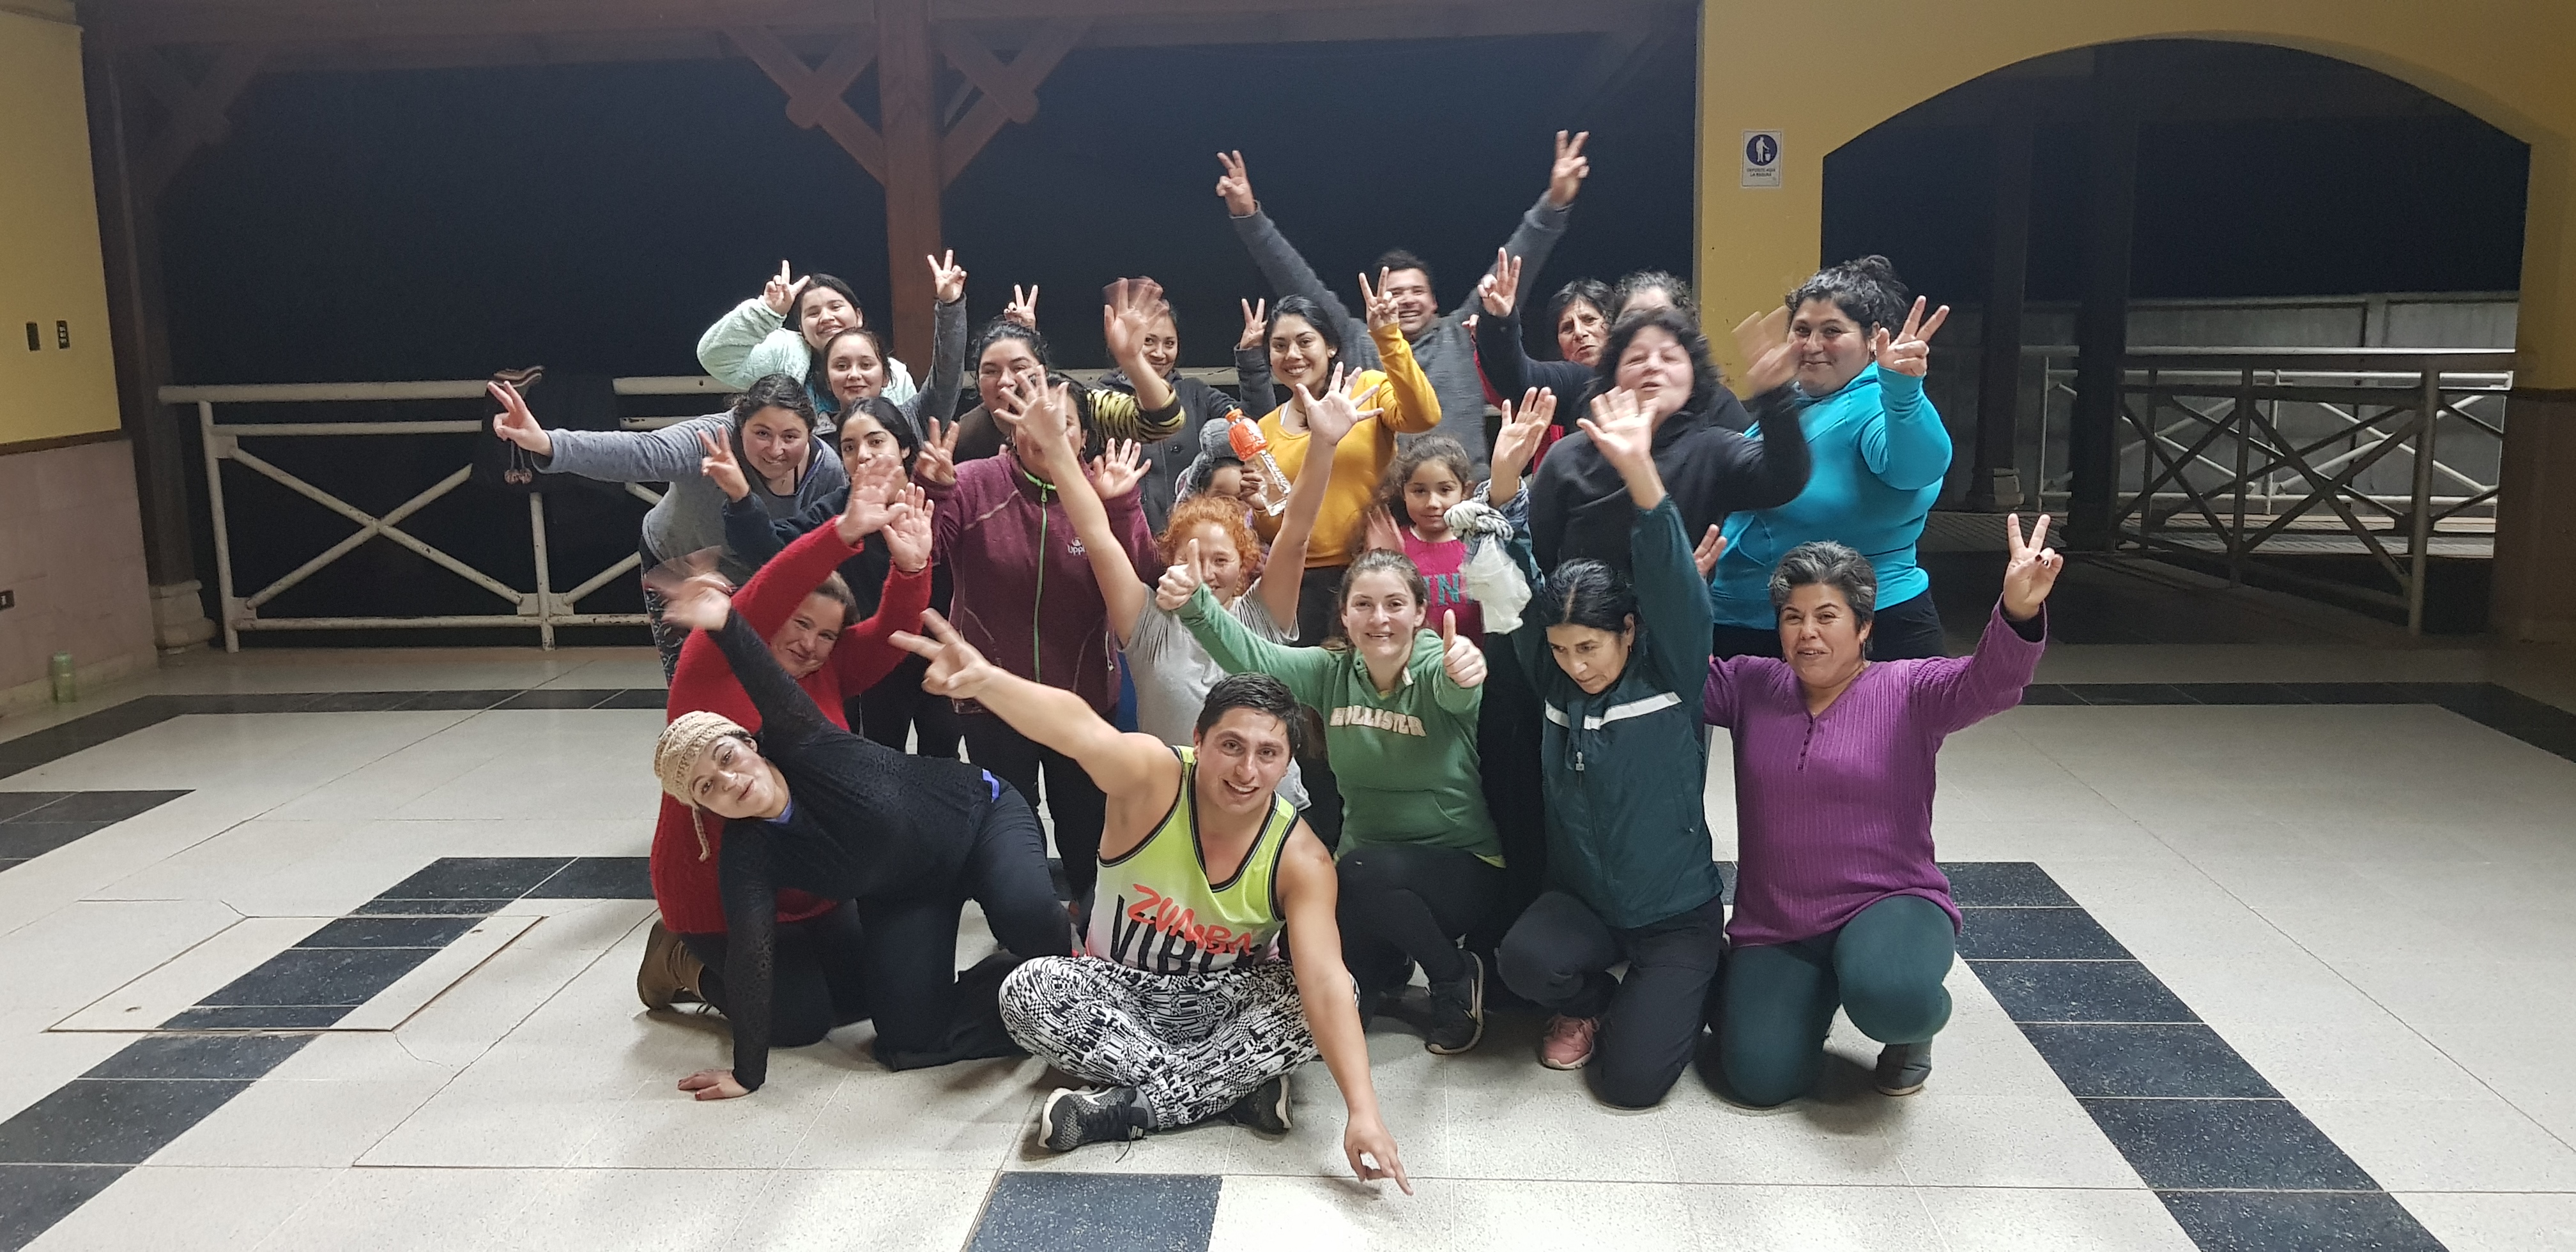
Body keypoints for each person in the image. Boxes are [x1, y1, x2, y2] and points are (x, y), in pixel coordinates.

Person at [891, 614, 1406, 1191]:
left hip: (1225, 999)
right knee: (1027, 990)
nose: (1247, 770)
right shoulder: (1153, 778)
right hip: (1120, 993)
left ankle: (1135, 1106)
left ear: (1288, 764)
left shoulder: (1301, 857)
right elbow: (1079, 729)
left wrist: (1364, 1112)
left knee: (1332, 997)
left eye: (1268, 753)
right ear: (1199, 741)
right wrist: (988, 682)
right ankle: (1229, 1086)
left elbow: (1325, 981)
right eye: (1231, 746)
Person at [647, 540, 1076, 1094]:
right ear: (706, 810)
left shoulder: (804, 742)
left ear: (752, 744)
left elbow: (761, 673)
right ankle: (1019, 992)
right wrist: (747, 1075)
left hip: (980, 821)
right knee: (906, 1039)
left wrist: (726, 621)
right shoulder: (747, 855)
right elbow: (753, 956)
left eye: (727, 759)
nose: (728, 781)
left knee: (1028, 917)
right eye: (708, 788)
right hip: (906, 888)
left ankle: (1079, 984)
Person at [1709, 517, 2060, 1106]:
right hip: (1778, 924)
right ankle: (1820, 989)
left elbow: (1989, 683)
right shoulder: (1751, 685)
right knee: (1759, 1079)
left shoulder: (1911, 689)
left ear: (1865, 625)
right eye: (1793, 617)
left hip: (1888, 903)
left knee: (1892, 996)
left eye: (1826, 616)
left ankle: (1908, 1026)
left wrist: (2018, 611)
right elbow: (1672, 678)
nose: (1807, 633)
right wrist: (1677, 588)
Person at [638, 461, 934, 1051]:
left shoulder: (828, 672)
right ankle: (679, 961)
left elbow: (891, 634)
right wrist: (842, 533)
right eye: (799, 623)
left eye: (826, 635)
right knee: (797, 1024)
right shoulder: (713, 660)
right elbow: (770, 587)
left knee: (865, 999)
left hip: (806, 885)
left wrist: (912, 568)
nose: (810, 644)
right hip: (718, 895)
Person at [1489, 386, 1726, 1108]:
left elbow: (1672, 583)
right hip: (1585, 902)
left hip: (1674, 911)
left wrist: (1640, 476)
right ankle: (1593, 1001)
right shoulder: (1553, 677)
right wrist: (1504, 489)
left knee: (1630, 1085)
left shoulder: (1671, 672)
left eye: (1589, 647)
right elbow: (1514, 590)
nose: (1576, 664)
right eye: (1562, 649)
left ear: (1629, 629)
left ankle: (1695, 978)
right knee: (1521, 963)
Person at [1174, 544, 1500, 1053]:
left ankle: (1454, 974)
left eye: (1395, 604)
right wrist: (1197, 605)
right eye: (1363, 605)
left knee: (1360, 872)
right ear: (1345, 616)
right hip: (1367, 872)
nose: (1379, 618)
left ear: (1420, 612)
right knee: (1332, 988)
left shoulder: (1438, 666)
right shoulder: (1332, 672)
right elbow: (1255, 658)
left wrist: (1466, 670)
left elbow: (1459, 690)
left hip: (1459, 867)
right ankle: (1389, 962)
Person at [1043, 359, 1364, 820]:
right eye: (1190, 557)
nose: (1205, 573)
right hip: (1172, 812)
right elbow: (1097, 537)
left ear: (1245, 566)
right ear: (1169, 560)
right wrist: (1058, 451)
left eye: (1220, 560)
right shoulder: (1147, 620)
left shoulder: (1263, 613)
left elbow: (1296, 533)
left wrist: (1325, 443)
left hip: (1268, 810)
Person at [919, 376, 1159, 913]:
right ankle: (1029, 926)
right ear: (1011, 428)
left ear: (1083, 436)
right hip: (991, 701)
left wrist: (1122, 506)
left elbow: (1142, 577)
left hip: (1083, 696)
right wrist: (933, 491)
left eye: (1062, 423)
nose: (1045, 434)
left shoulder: (1102, 490)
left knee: (1085, 828)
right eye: (1033, 422)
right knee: (1012, 827)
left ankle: (1091, 923)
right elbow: (924, 555)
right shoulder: (974, 482)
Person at [1214, 132, 1591, 469]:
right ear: (1376, 300)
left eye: (1417, 292)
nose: (1407, 301)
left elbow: (1511, 268)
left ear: (1434, 302)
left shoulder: (1463, 334)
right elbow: (1294, 278)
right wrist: (1249, 217)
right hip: (1382, 509)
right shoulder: (1357, 341)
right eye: (1395, 294)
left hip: (1466, 501)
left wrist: (1555, 202)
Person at [489, 373, 846, 678]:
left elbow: (829, 550)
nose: (775, 449)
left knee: (767, 684)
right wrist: (547, 443)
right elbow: (638, 452)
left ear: (810, 434)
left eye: (790, 437)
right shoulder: (710, 440)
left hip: (762, 575)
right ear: (740, 424)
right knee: (691, 681)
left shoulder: (825, 470)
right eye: (762, 433)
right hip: (679, 566)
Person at [1709, 258, 1954, 662]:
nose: (1812, 345)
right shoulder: (1796, 402)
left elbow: (1919, 469)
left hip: (1868, 628)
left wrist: (1904, 394)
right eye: (1802, 330)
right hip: (1751, 620)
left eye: (1832, 331)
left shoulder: (1876, 403)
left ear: (1873, 339)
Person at [725, 397, 963, 758]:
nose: (863, 455)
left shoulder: (935, 495)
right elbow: (770, 548)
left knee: (943, 755)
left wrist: (940, 493)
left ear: (904, 447)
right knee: (876, 757)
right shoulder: (840, 509)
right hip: (874, 659)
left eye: (875, 441)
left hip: (940, 652)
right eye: (849, 447)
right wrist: (741, 497)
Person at [1522, 306, 1808, 576]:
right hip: (1578, 611)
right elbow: (1533, 560)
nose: (1653, 366)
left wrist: (1776, 397)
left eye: (1670, 358)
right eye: (1636, 359)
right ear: (1614, 377)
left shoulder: (1713, 450)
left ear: (1693, 377)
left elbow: (1783, 480)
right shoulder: (1568, 456)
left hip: (1679, 611)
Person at [1244, 287, 1440, 645]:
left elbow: (1424, 416)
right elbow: (1277, 526)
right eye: (1279, 346)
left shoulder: (1367, 388)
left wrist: (1388, 338)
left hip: (1371, 568)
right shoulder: (1265, 429)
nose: (1292, 355)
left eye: (1305, 341)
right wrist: (1259, 508)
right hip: (1301, 585)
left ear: (1331, 346)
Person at [947, 282, 1185, 464]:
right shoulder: (967, 435)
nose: (1006, 381)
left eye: (1019, 367)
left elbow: (1163, 423)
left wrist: (1133, 361)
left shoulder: (1080, 405)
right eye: (990, 371)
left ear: (1043, 372)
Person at [1096, 298, 1273, 531]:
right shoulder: (1101, 399)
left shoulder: (1195, 394)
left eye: (1169, 343)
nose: (1160, 353)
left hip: (1192, 538)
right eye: (1149, 341)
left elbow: (1253, 425)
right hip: (1122, 537)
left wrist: (1251, 358)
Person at [697, 261, 919, 415]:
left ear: (859, 316)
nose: (826, 318)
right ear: (802, 329)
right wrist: (766, 313)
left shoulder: (896, 375)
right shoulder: (785, 353)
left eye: (836, 307)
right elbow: (714, 356)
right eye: (813, 313)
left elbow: (909, 433)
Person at [813, 250, 970, 432]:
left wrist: (950, 305)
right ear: (827, 380)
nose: (854, 375)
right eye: (842, 366)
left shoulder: (912, 420)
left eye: (866, 365)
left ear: (886, 376)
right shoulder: (812, 438)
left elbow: (946, 376)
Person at [1364, 436, 1483, 638]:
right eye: (1419, 491)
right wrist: (1382, 557)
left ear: (1465, 491)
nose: (1432, 503)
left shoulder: (1480, 543)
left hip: (1475, 654)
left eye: (1445, 490)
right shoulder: (1394, 544)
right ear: (1403, 492)